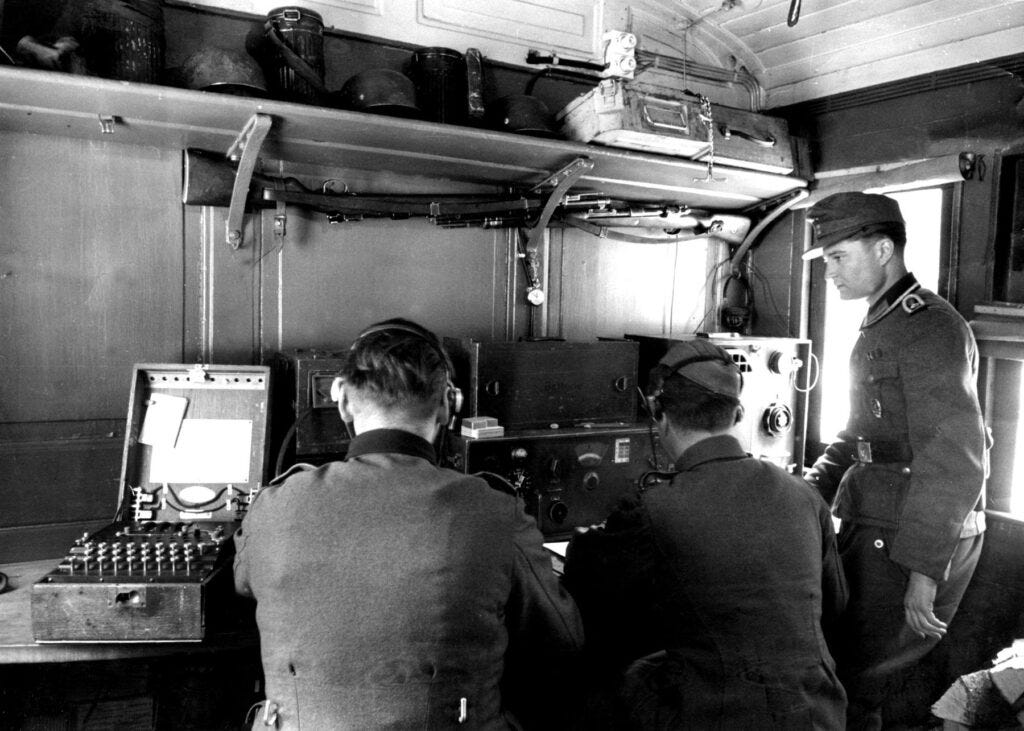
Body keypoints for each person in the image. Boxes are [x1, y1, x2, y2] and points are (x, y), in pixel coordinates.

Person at [233, 317, 584, 729]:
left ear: (342, 400)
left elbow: (243, 583)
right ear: (447, 406)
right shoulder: (493, 511)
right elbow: (564, 639)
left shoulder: (275, 505)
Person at [563, 337, 848, 729]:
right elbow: (835, 607)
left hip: (719, 718)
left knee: (595, 686)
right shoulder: (804, 495)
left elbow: (585, 586)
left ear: (658, 414)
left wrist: (587, 538)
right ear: (738, 414)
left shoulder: (654, 510)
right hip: (819, 714)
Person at [802, 192, 988, 730]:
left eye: (838, 257)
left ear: (883, 249)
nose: (830, 272)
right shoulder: (882, 321)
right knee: (846, 674)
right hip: (880, 518)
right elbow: (865, 432)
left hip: (912, 533)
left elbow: (955, 455)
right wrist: (809, 487)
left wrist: (925, 571)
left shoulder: (928, 326)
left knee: (857, 682)